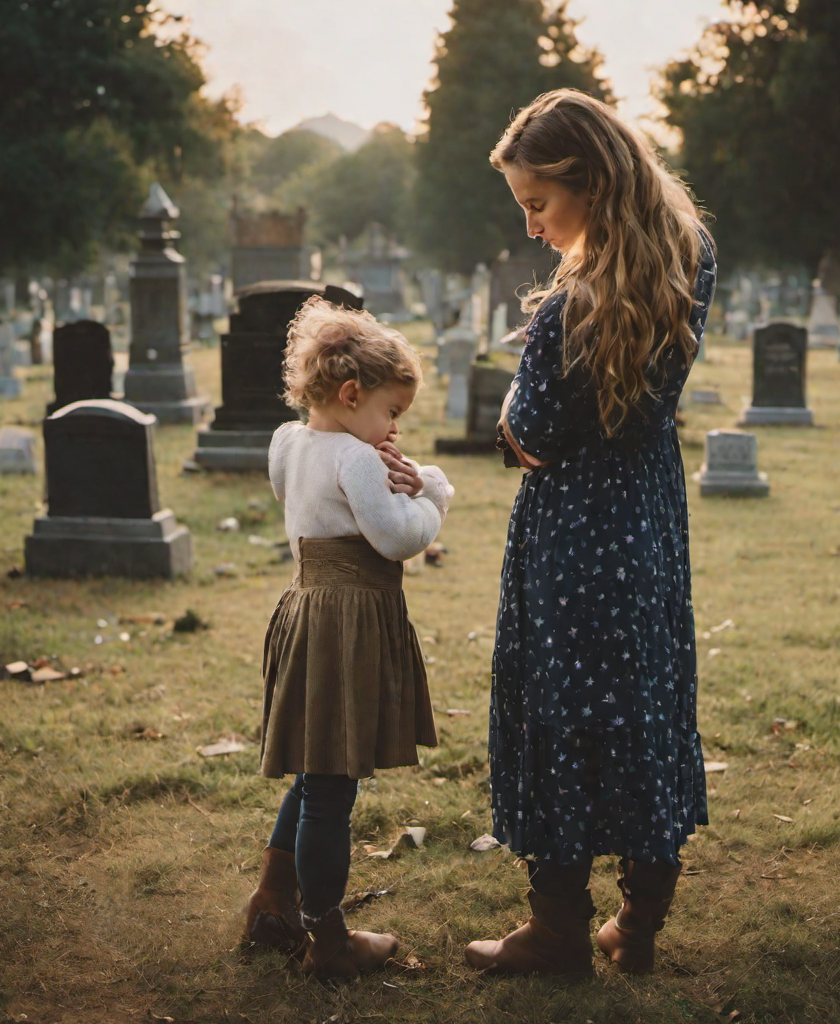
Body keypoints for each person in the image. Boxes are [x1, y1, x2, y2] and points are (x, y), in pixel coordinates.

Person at [464, 89, 717, 977]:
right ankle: (639, 924)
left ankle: (559, 927)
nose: (533, 225)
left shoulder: (564, 314)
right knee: (645, 702)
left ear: (592, 183)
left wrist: (510, 419)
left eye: (539, 203)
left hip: (571, 533)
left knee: (559, 715)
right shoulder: (694, 258)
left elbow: (529, 434)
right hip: (647, 524)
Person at [243, 296, 454, 981]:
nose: (392, 428)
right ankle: (327, 939)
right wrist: (430, 491)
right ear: (351, 392)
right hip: (350, 623)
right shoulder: (357, 461)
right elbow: (400, 537)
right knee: (332, 786)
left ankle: (272, 905)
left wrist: (391, 468)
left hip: (305, 608)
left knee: (314, 767)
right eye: (390, 413)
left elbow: (304, 497)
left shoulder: (289, 442)